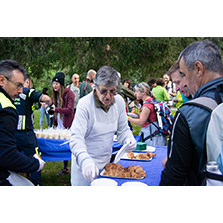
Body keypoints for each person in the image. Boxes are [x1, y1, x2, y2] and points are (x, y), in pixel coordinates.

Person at [160, 40, 223, 186]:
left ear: (198, 69)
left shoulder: (189, 113)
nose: (185, 82)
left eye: (184, 74)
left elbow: (174, 175)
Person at [70, 65, 137, 186]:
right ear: (95, 87)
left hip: (107, 166)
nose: (108, 96)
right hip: (84, 167)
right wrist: (85, 160)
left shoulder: (119, 102)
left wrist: (128, 138)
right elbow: (76, 138)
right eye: (104, 91)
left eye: (113, 91)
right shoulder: (84, 104)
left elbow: (123, 130)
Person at [0, 59, 45, 186]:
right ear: (2, 80)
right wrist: (35, 164)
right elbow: (6, 155)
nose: (20, 91)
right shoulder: (6, 107)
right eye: (18, 85)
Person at [14, 76, 52, 186]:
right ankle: (37, 184)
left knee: (10, 158)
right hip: (26, 134)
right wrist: (50, 104)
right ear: (26, 81)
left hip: (10, 133)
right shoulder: (27, 92)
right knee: (36, 157)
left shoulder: (7, 92)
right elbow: (46, 98)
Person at [49, 72, 75, 175]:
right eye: (53, 83)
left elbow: (69, 110)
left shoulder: (70, 94)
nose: (54, 85)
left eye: (57, 83)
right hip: (59, 122)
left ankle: (74, 167)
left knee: (71, 146)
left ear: (61, 84)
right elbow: (54, 110)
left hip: (69, 124)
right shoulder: (55, 94)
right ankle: (65, 167)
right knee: (63, 146)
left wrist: (56, 109)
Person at [128, 82, 167, 146]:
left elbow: (141, 122)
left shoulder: (147, 105)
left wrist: (128, 118)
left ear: (143, 92)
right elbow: (146, 117)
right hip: (157, 135)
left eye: (137, 91)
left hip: (153, 137)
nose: (135, 94)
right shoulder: (152, 100)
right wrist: (129, 114)